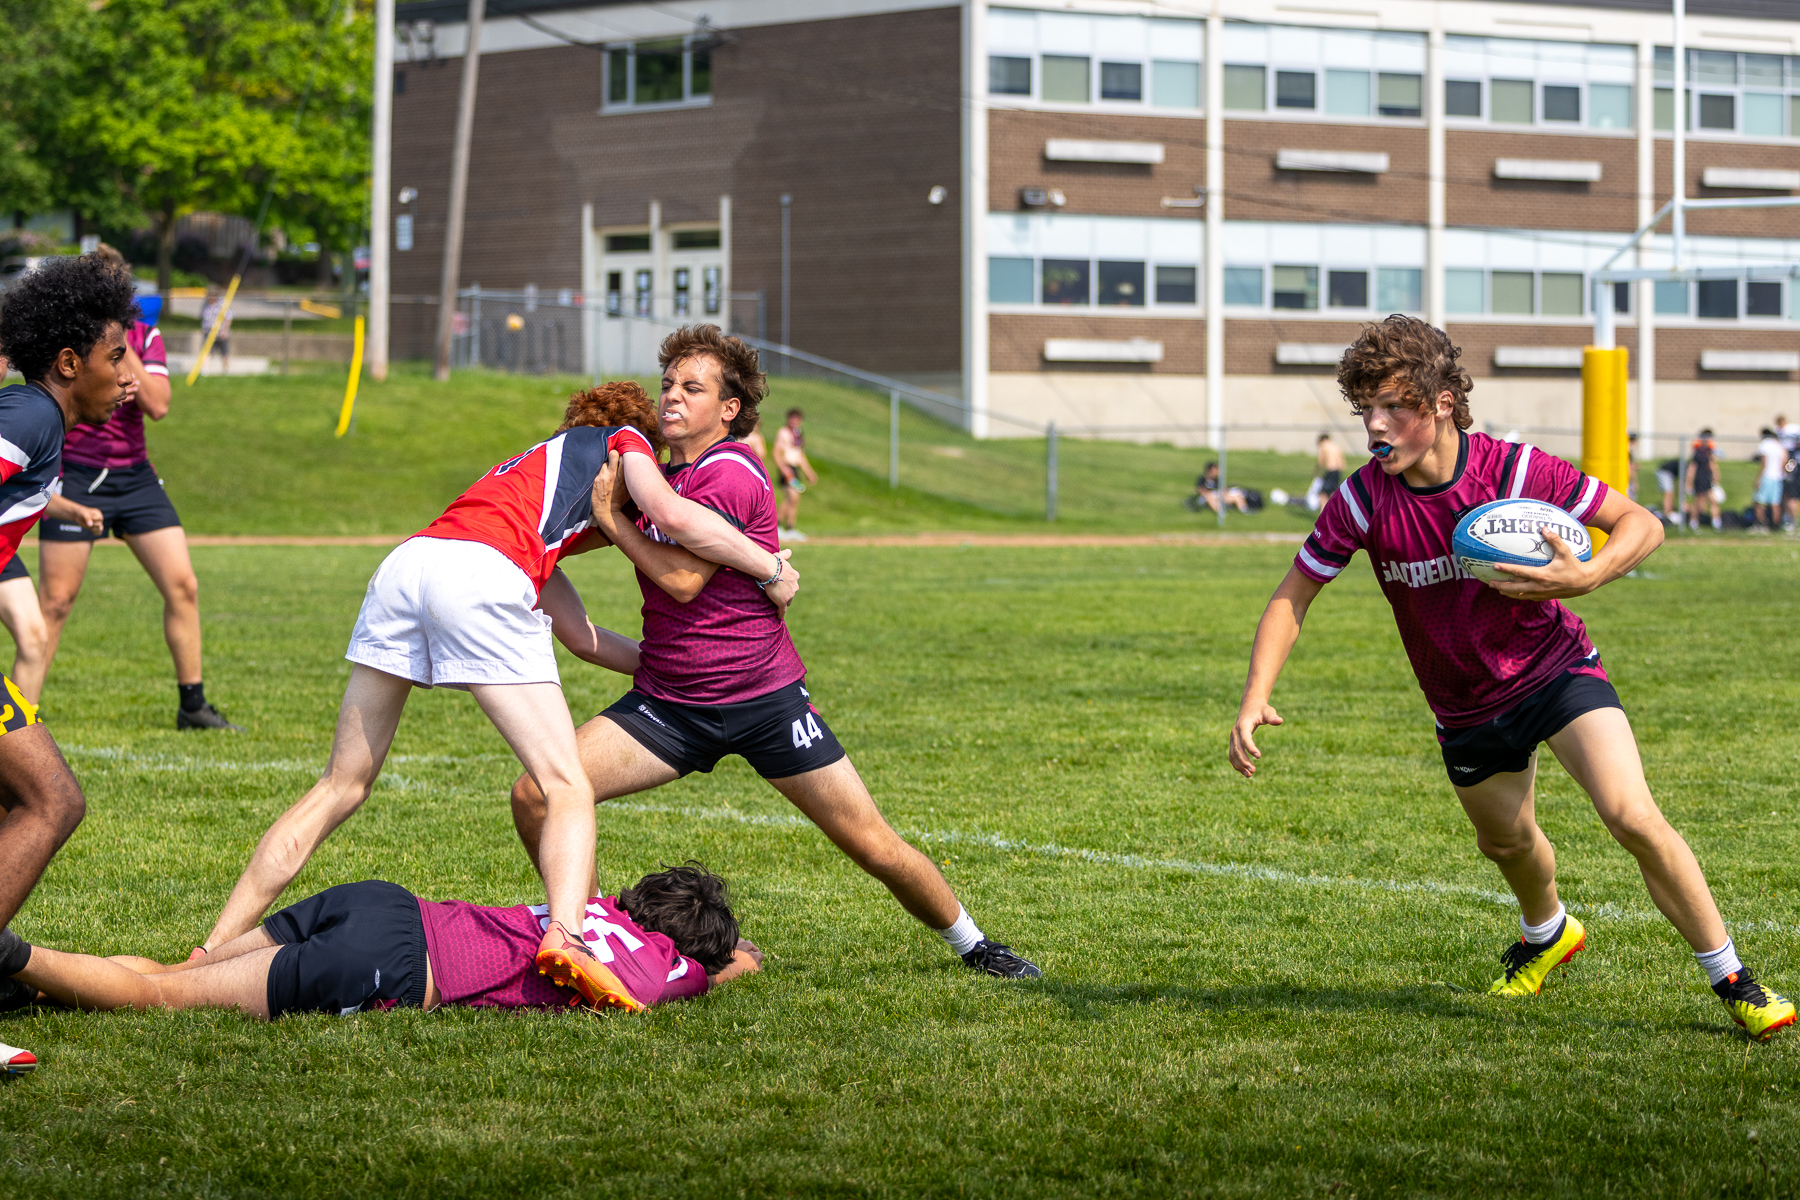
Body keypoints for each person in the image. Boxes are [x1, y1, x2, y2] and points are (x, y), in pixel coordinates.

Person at [1227, 315, 1794, 1040]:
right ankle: (1547, 930)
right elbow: (1293, 593)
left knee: (1630, 814)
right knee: (1507, 845)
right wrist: (1254, 697)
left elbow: (1641, 523)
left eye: (1394, 406)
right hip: (1463, 703)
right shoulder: (1364, 501)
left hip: (1555, 671)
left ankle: (1734, 978)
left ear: (1438, 401)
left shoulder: (1514, 472)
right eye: (1365, 408)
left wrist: (1586, 574)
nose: (1376, 426)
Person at [194, 381, 800, 1014]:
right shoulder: (626, 442)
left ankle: (212, 948)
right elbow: (672, 515)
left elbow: (584, 640)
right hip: (480, 574)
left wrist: (675, 669)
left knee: (340, 785)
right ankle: (567, 939)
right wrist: (767, 568)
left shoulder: (527, 482)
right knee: (566, 784)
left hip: (408, 565)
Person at [509, 325, 1040, 980]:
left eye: (692, 387)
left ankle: (974, 945)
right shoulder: (660, 483)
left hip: (766, 705)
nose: (671, 396)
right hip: (671, 709)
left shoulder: (731, 471)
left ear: (728, 409)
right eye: (668, 384)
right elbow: (566, 532)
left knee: (873, 845)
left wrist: (613, 521)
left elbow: (681, 580)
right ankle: (597, 946)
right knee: (538, 794)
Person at [0, 862, 760, 1020]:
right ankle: (13, 956)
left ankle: (38, 982)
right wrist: (730, 968)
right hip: (397, 964)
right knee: (164, 999)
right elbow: (672, 985)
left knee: (171, 973)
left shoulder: (590, 905)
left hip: (388, 905)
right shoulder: (659, 961)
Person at [0, 252, 140, 1071]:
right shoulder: (29, 418)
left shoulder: (35, 422)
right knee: (50, 799)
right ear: (68, 362)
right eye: (116, 356)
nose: (128, 374)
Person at [29, 245, 235, 723]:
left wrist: (124, 347)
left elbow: (159, 405)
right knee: (56, 601)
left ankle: (193, 705)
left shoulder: (144, 336)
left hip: (136, 477)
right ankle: (20, 718)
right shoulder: (70, 341)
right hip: (76, 474)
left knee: (183, 584)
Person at [773, 407, 816, 541]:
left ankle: (790, 527)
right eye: (792, 418)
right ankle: (778, 527)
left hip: (795, 469)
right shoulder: (783, 433)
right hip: (787, 469)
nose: (794, 421)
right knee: (791, 496)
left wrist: (809, 472)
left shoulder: (798, 434)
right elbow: (776, 452)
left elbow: (800, 455)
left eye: (797, 419)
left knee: (795, 498)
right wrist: (783, 468)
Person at [1752, 427, 1785, 534]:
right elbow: (1784, 460)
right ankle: (1776, 524)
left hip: (1766, 476)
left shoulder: (1765, 444)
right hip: (1777, 477)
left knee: (1759, 501)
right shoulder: (1779, 445)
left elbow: (1764, 463)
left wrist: (1758, 478)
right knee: (1775, 502)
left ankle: (1760, 523)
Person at [1686, 428, 1719, 532]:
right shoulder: (1698, 452)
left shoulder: (1710, 451)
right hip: (1700, 478)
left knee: (1713, 501)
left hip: (1707, 478)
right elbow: (1692, 468)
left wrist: (1715, 475)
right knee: (1697, 502)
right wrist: (1689, 482)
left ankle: (1716, 522)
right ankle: (1693, 522)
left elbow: (1712, 464)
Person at [1305, 433, 1346, 511]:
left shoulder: (1324, 445)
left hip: (1330, 470)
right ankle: (1334, 512)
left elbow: (1320, 459)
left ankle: (1323, 513)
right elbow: (1342, 461)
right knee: (1333, 492)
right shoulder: (1336, 446)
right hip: (1338, 471)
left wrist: (1316, 470)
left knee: (1322, 494)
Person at [198, 288, 231, 374]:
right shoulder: (205, 305)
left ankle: (226, 371)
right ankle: (205, 370)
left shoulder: (221, 304)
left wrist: (224, 331)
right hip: (208, 332)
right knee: (206, 352)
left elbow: (228, 317)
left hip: (220, 333)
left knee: (224, 353)